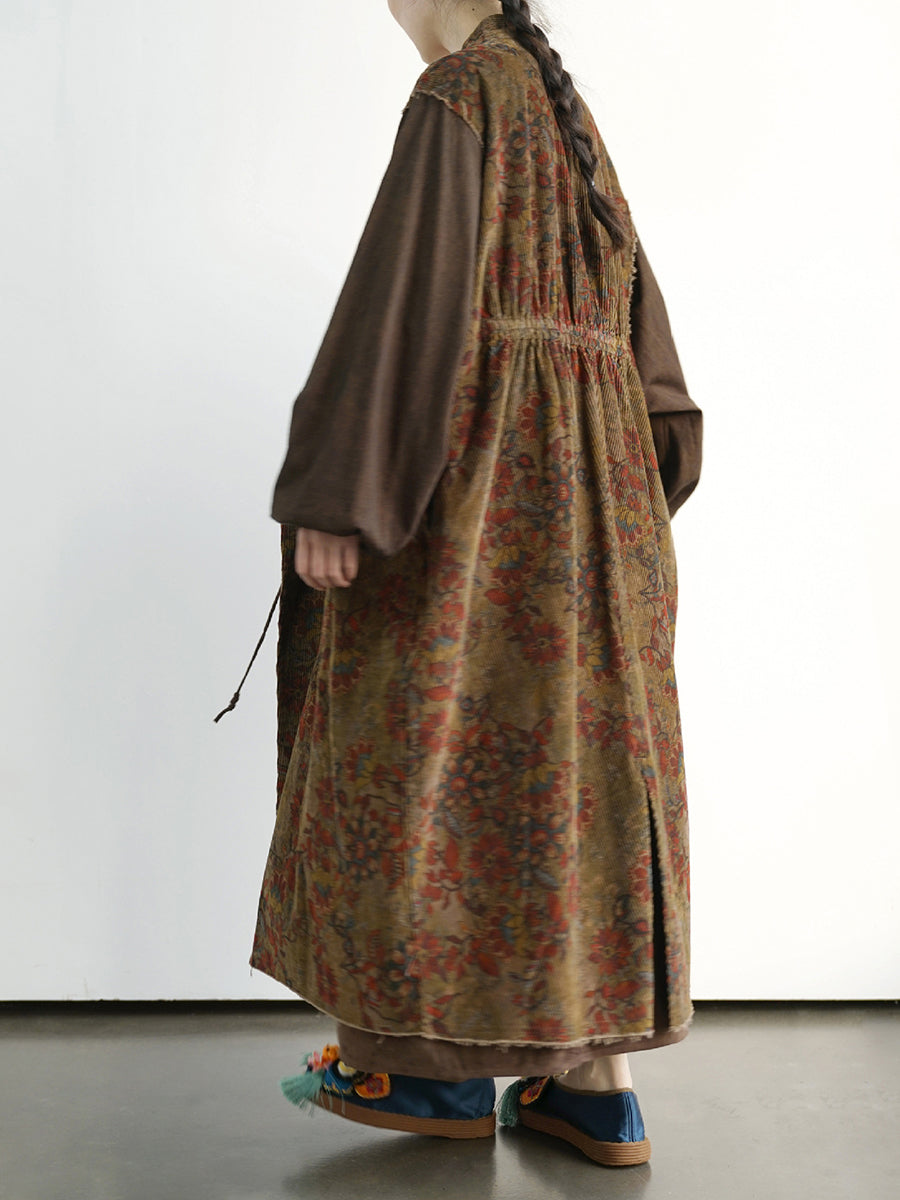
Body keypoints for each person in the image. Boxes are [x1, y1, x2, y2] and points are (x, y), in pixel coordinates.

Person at [250, 0, 702, 1167]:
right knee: (571, 789)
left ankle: (425, 1068)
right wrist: (633, 496)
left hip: (492, 508)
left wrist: (342, 490)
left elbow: (407, 305)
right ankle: (593, 1090)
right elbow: (647, 346)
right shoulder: (561, 105)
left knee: (424, 757)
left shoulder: (460, 95)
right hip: (599, 515)